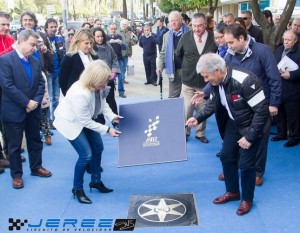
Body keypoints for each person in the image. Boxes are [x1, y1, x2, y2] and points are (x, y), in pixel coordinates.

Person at [186, 53, 269, 216]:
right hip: (234, 123)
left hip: (253, 126)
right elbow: (214, 102)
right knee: (226, 156)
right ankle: (232, 192)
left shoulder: (246, 80)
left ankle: (247, 199)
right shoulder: (217, 81)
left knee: (246, 165)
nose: (205, 80)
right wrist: (197, 118)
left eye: (206, 76)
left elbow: (262, 112)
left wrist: (249, 136)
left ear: (217, 70)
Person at [53, 60, 122, 204]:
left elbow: (103, 102)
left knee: (98, 147)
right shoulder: (81, 93)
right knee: (86, 155)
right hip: (71, 122)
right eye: (102, 82)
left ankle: (96, 181)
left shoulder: (98, 85)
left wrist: (112, 116)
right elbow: (84, 122)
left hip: (86, 118)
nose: (105, 85)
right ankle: (77, 189)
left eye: (106, 81)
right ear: (93, 79)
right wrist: (107, 129)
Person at [0, 29, 52, 189]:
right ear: (21, 41)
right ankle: (17, 175)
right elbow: (7, 86)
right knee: (15, 146)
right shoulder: (5, 60)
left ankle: (36, 167)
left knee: (35, 140)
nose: (34, 48)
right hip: (14, 110)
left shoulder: (35, 61)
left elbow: (40, 84)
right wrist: (26, 102)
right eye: (31, 44)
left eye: (35, 45)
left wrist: (34, 102)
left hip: (33, 109)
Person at [176, 13, 217, 143]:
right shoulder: (185, 37)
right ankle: (185, 131)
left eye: (200, 25)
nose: (197, 29)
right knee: (187, 107)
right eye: (194, 26)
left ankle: (200, 133)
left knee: (202, 109)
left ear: (205, 24)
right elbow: (178, 55)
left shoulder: (213, 38)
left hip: (205, 83)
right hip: (188, 80)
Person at [273, 29, 300, 147]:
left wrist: (291, 75)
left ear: (295, 41)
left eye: (289, 40)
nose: (286, 42)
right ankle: (281, 133)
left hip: (293, 89)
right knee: (280, 114)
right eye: (284, 39)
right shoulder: (279, 50)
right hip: (280, 88)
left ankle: (294, 137)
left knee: (293, 116)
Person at [157, 11, 190, 98]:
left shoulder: (190, 32)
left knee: (190, 98)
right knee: (172, 98)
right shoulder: (166, 35)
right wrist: (160, 66)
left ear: (181, 20)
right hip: (173, 70)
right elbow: (163, 53)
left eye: (175, 20)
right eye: (171, 21)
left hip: (189, 70)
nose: (173, 23)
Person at [92, 27, 120, 127]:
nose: (100, 38)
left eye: (101, 36)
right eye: (97, 36)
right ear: (93, 37)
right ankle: (100, 122)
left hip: (109, 80)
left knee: (111, 100)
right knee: (98, 102)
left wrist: (114, 72)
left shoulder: (108, 46)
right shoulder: (91, 49)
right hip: (97, 81)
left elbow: (114, 59)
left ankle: (115, 120)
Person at [60, 28, 98, 96]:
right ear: (78, 42)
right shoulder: (69, 58)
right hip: (76, 96)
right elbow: (63, 80)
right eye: (86, 43)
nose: (89, 46)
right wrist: (68, 96)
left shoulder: (94, 56)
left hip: (93, 94)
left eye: (91, 43)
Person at [44, 18, 66, 129]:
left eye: (55, 26)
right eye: (51, 27)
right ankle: (49, 120)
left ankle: (56, 119)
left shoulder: (59, 38)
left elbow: (63, 53)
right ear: (46, 27)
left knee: (56, 97)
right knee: (50, 97)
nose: (53, 29)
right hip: (48, 72)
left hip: (59, 71)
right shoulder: (43, 38)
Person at [0, 11, 15, 173]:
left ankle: (10, 154)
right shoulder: (11, 43)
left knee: (7, 121)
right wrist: (11, 49)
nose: (6, 27)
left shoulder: (10, 39)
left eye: (7, 25)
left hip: (7, 87)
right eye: (2, 24)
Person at [107, 22, 126, 98]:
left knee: (121, 76)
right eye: (112, 29)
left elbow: (124, 48)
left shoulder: (119, 36)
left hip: (119, 59)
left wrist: (121, 43)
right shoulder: (105, 37)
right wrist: (108, 42)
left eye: (114, 29)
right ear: (109, 29)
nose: (113, 30)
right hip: (110, 60)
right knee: (110, 77)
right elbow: (102, 46)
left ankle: (121, 92)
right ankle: (109, 92)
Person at [118, 19, 138, 84]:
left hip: (126, 53)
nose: (124, 25)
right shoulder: (118, 32)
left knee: (124, 68)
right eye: (123, 24)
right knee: (120, 68)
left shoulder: (128, 33)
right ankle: (119, 80)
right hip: (119, 54)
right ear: (121, 25)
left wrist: (134, 35)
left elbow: (131, 43)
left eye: (125, 24)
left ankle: (122, 79)